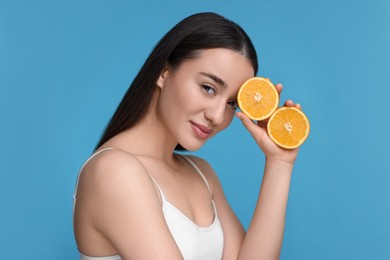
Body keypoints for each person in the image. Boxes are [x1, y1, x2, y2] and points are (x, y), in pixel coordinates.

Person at [73, 12, 303, 260]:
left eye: (232, 103)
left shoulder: (202, 174)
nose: (217, 115)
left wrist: (279, 163)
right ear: (163, 72)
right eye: (208, 88)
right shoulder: (112, 171)